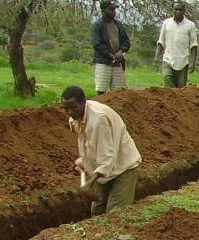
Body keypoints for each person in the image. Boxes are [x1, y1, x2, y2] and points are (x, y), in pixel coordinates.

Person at [61, 85, 142, 215]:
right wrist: (83, 162)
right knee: (97, 211)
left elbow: (107, 156)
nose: (70, 112)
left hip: (122, 167)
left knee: (115, 214)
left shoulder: (99, 119)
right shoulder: (77, 116)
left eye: (73, 107)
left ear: (83, 102)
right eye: (66, 108)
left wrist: (90, 183)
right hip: (104, 168)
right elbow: (91, 143)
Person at [90, 0, 131, 94]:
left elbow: (126, 42)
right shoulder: (98, 25)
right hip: (103, 61)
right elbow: (97, 44)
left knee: (118, 92)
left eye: (114, 9)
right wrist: (110, 55)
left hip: (118, 62)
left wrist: (121, 51)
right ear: (104, 10)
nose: (114, 12)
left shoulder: (119, 25)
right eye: (111, 9)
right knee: (101, 90)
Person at [154, 1, 198, 87]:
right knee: (167, 80)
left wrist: (193, 63)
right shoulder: (167, 23)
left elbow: (194, 45)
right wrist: (156, 57)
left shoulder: (190, 25)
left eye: (180, 10)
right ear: (173, 10)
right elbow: (161, 41)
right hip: (168, 58)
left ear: (184, 11)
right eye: (176, 9)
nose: (178, 12)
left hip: (183, 61)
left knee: (180, 88)